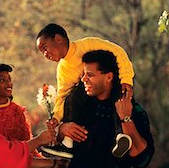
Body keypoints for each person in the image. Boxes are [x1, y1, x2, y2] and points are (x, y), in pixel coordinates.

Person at [36, 24, 134, 159]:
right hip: (90, 97)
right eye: (42, 52)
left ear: (58, 39)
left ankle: (121, 137)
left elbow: (118, 52)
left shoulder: (88, 44)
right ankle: (68, 144)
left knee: (116, 98)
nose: (45, 54)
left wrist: (126, 79)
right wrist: (56, 118)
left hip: (113, 85)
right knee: (72, 96)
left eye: (45, 48)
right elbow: (62, 94)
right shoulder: (63, 69)